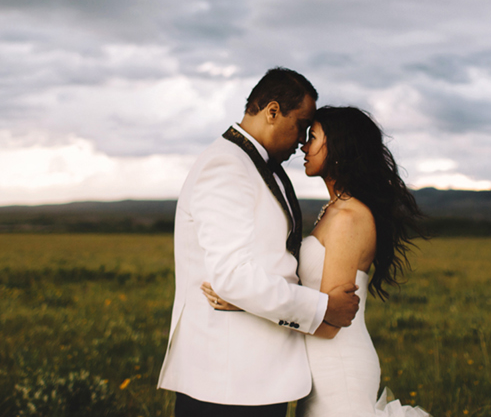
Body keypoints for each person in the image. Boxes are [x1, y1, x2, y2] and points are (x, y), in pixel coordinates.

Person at [159, 67, 363, 416]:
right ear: (272, 111)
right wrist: (322, 308)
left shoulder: (257, 165)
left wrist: (249, 299)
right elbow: (233, 277)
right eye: (301, 125)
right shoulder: (226, 165)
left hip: (255, 378)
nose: (303, 140)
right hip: (226, 383)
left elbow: (266, 264)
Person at [205, 105, 431, 416]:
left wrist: (245, 303)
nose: (303, 145)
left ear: (339, 146)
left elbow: (329, 323)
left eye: (313, 137)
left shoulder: (349, 218)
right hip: (319, 368)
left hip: (337, 368)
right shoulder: (334, 211)